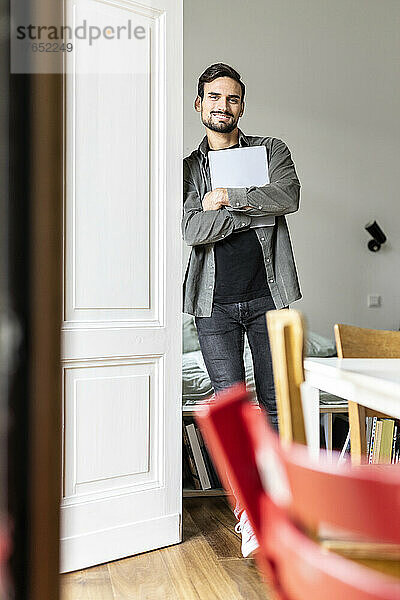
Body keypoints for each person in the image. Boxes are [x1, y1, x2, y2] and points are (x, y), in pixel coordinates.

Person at [181, 63, 302, 557]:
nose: (221, 106)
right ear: (199, 105)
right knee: (230, 411)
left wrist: (228, 198)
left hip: (268, 296)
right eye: (213, 97)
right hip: (213, 306)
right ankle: (246, 510)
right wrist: (252, 211)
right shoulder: (188, 167)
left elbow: (288, 197)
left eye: (231, 98)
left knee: (275, 404)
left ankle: (275, 505)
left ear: (242, 105)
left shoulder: (271, 151)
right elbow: (192, 229)